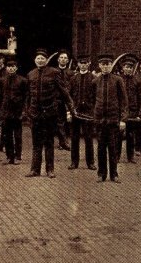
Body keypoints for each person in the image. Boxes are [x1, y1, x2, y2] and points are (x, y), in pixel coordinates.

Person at [25, 49, 74, 179]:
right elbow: (28, 96)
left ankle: (49, 170)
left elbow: (64, 92)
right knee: (36, 144)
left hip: (50, 114)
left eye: (42, 58)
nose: (40, 60)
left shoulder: (54, 73)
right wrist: (28, 111)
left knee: (49, 143)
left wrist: (71, 108)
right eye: (38, 58)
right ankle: (34, 170)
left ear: (46, 60)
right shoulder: (31, 74)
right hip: (35, 114)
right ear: (35, 60)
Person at [92, 54, 128, 183]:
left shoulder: (118, 80)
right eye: (103, 64)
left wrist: (123, 119)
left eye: (108, 64)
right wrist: (95, 115)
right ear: (99, 65)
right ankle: (101, 174)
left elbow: (124, 101)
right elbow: (92, 100)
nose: (106, 67)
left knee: (113, 149)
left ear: (111, 65)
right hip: (100, 121)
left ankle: (114, 174)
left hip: (113, 120)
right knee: (101, 148)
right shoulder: (95, 81)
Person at [68, 54, 96, 170]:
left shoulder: (94, 78)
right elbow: (69, 96)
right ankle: (74, 162)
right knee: (74, 138)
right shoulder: (73, 79)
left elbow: (96, 97)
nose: (83, 65)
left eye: (85, 63)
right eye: (81, 63)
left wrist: (94, 111)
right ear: (78, 64)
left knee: (88, 138)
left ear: (88, 64)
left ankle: (90, 162)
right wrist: (69, 112)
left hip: (88, 113)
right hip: (76, 112)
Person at [0, 55, 28, 165]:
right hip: (6, 112)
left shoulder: (23, 80)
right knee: (6, 135)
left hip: (17, 112)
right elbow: (0, 97)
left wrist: (23, 111)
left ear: (16, 68)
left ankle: (17, 156)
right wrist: (1, 111)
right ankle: (9, 156)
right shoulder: (2, 80)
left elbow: (26, 97)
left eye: (13, 66)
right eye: (9, 66)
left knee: (17, 135)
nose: (11, 68)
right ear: (6, 68)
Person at [118, 56, 141, 164]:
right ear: (123, 68)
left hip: (132, 111)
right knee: (118, 135)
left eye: (130, 68)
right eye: (127, 67)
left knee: (131, 135)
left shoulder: (136, 81)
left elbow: (140, 97)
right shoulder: (118, 80)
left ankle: (130, 156)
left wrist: (139, 111)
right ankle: (117, 156)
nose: (128, 69)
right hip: (121, 111)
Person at [55, 50, 74, 151]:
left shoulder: (71, 73)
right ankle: (62, 142)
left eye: (65, 58)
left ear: (68, 60)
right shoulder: (54, 72)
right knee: (59, 121)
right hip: (58, 100)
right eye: (61, 57)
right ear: (58, 59)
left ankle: (67, 140)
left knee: (69, 121)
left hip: (68, 100)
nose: (63, 59)